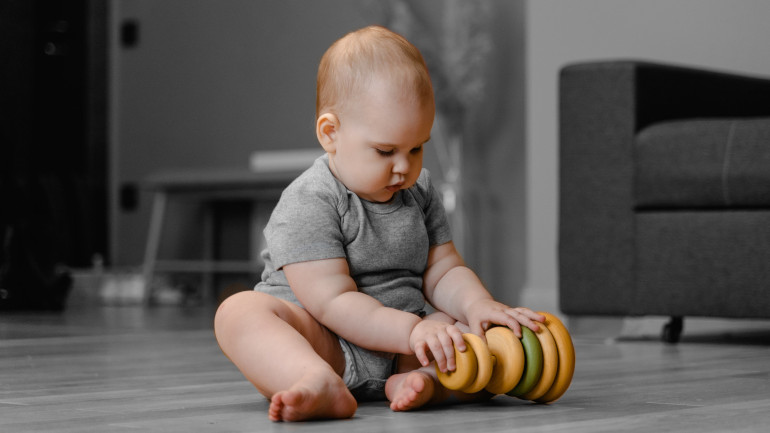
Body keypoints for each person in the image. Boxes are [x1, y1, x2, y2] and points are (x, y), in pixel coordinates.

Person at [213, 25, 544, 422]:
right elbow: (332, 302)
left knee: (474, 343)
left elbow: (443, 271)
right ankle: (315, 379)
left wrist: (478, 306)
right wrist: (410, 331)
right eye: (386, 151)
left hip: (407, 342)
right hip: (326, 340)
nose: (404, 166)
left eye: (417, 147)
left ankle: (420, 382)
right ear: (331, 133)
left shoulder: (419, 191)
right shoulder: (310, 200)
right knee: (238, 312)